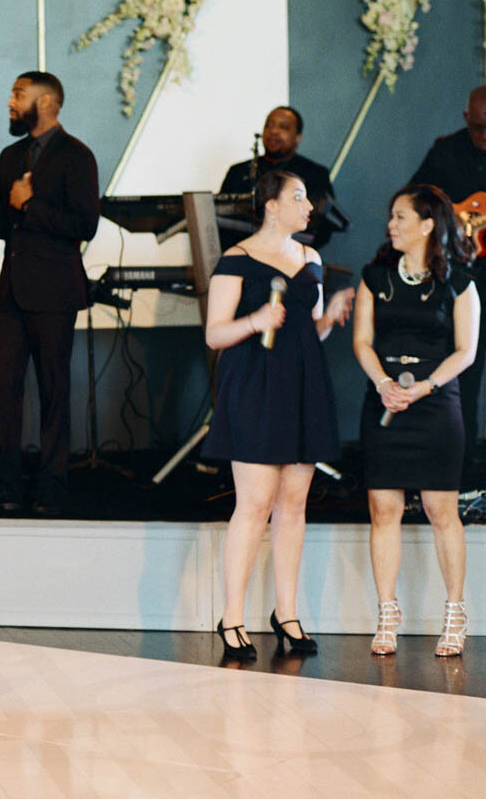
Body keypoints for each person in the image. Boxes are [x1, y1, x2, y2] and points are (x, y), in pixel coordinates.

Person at [203, 170, 354, 661]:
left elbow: (309, 330)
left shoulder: (310, 257)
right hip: (253, 385)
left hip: (303, 383)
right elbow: (214, 335)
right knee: (254, 503)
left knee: (294, 504)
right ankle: (232, 616)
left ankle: (286, 613)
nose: (308, 207)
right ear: (270, 204)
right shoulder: (236, 260)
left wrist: (328, 318)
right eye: (298, 197)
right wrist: (255, 320)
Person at [0, 71, 100, 515]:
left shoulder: (77, 157)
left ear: (47, 103)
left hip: (56, 292)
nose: (9, 101)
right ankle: (3, 484)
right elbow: (7, 223)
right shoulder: (10, 156)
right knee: (2, 389)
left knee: (53, 391)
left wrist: (29, 204)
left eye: (18, 94)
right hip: (11, 293)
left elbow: (84, 227)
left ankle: (51, 487)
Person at [352, 185, 479, 657]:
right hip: (384, 402)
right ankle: (387, 614)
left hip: (435, 404)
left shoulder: (459, 282)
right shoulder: (374, 277)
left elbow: (465, 350)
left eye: (401, 216)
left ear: (428, 224)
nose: (391, 224)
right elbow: (362, 341)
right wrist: (384, 382)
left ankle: (455, 612)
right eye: (391, 216)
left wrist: (424, 386)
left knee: (441, 512)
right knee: (383, 510)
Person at [409, 83, 486, 484]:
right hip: (462, 283)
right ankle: (459, 471)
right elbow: (413, 198)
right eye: (478, 129)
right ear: (465, 119)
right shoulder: (446, 150)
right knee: (460, 383)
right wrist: (451, 218)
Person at [219, 105, 344, 248]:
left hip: (292, 259)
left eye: (283, 127)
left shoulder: (315, 174)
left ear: (298, 137)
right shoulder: (238, 171)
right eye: (269, 125)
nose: (273, 131)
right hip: (241, 255)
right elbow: (219, 218)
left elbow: (323, 228)